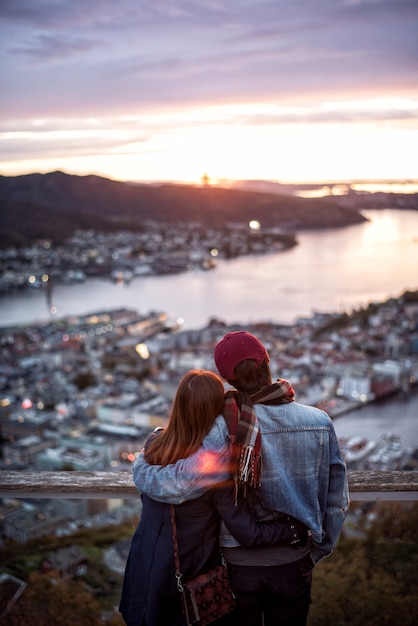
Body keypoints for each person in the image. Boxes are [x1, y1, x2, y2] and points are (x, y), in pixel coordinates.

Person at [132, 331, 349, 626]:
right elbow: (336, 501)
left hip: (237, 564)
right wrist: (318, 550)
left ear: (228, 380)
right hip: (294, 560)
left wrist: (141, 467)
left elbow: (182, 483)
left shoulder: (224, 427)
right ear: (267, 362)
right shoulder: (320, 423)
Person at [119, 369, 309, 626]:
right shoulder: (212, 470)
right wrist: (294, 528)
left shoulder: (154, 447)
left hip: (145, 569)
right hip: (189, 580)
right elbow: (248, 533)